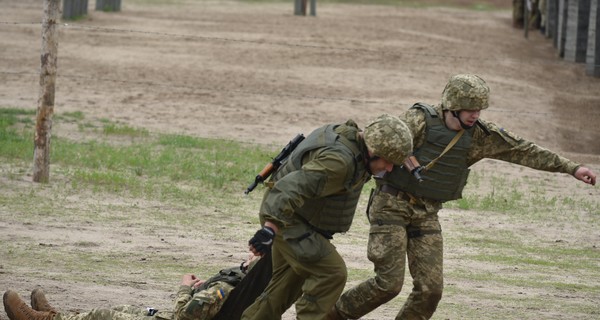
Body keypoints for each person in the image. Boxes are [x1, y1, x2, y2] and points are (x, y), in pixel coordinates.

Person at [326, 74, 597, 320]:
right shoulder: (419, 120)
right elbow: (377, 143)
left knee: (431, 291)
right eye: (470, 109)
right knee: (388, 284)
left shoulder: (479, 136)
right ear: (452, 106)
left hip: (426, 212)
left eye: (479, 109)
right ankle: (329, 317)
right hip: (391, 205)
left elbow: (523, 149)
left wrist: (571, 168)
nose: (475, 115)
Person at [240, 115, 414, 320]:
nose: (390, 168)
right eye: (388, 161)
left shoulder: (355, 143)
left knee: (286, 286)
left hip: (297, 217)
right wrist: (269, 229)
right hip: (286, 218)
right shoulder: (339, 162)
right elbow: (288, 188)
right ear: (374, 151)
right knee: (331, 273)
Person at [3, 254, 267, 320]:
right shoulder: (247, 286)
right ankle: (56, 316)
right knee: (115, 309)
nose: (248, 254)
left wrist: (185, 289)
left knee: (104, 316)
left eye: (253, 255)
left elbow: (183, 316)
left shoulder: (229, 288)